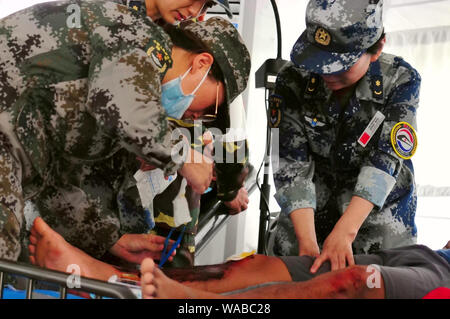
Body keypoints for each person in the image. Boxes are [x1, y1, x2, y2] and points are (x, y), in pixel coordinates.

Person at [0, 0, 250, 262]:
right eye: (212, 105)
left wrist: (108, 239)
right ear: (201, 64)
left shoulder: (112, 95)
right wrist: (183, 156)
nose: (199, 117)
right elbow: (128, 112)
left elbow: (57, 180)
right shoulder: (134, 34)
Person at [270, 0, 420, 273]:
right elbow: (290, 161)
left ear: (377, 48)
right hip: (307, 217)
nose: (326, 72)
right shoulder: (292, 79)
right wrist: (306, 241)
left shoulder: (400, 80)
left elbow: (386, 157)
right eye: (319, 59)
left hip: (377, 221)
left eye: (340, 65)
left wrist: (346, 232)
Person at [139, 240, 450, 299]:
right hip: (429, 254)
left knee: (352, 282)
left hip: (442, 278)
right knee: (253, 266)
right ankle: (110, 275)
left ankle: (199, 306)